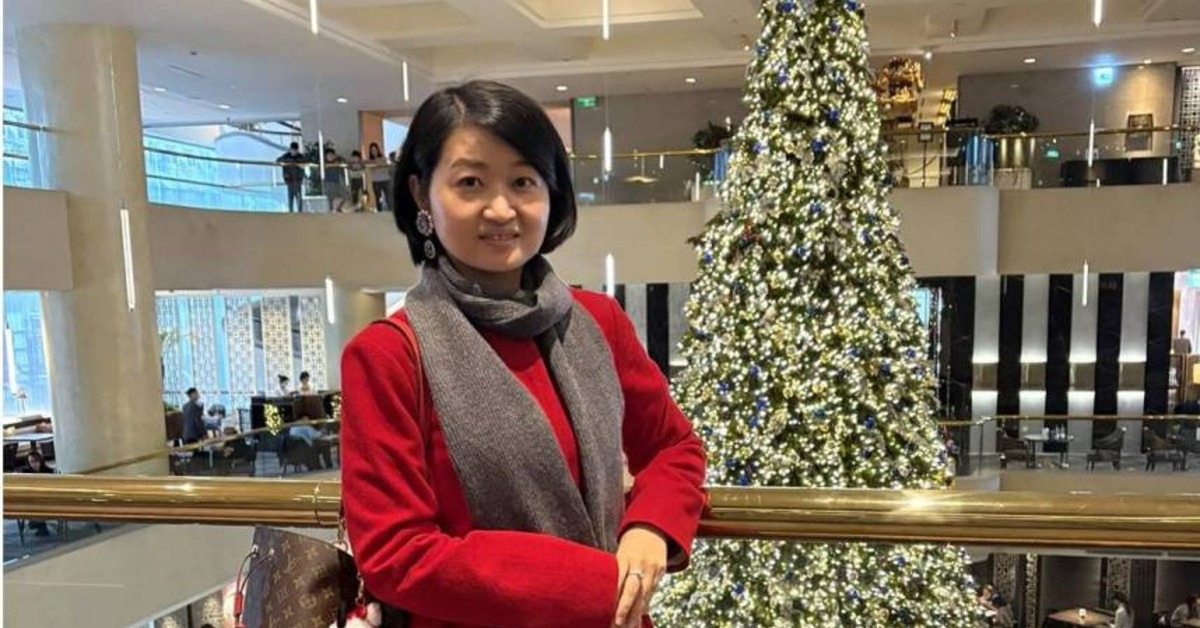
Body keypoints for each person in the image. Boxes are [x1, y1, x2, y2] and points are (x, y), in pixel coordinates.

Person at [340, 80, 707, 628]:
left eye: (522, 181)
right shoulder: (387, 355)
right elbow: (396, 552)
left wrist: (650, 528)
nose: (500, 208)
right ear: (421, 193)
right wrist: (599, 582)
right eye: (470, 182)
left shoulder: (598, 322)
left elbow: (673, 447)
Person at [18, 451, 54, 536]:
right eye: (31, 462)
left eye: (36, 461)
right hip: (31, 499)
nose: (34, 464)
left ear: (40, 461)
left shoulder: (49, 471)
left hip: (47, 499)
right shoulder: (25, 473)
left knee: (39, 503)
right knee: (33, 503)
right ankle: (40, 525)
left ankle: (38, 524)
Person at [277, 142, 307, 212]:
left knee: (298, 198)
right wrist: (287, 163)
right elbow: (278, 161)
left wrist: (300, 164)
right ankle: (291, 212)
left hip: (298, 180)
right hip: (289, 180)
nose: (294, 151)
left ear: (297, 150)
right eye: (293, 150)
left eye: (295, 150)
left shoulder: (300, 157)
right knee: (290, 198)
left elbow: (306, 162)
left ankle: (299, 212)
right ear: (290, 149)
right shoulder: (286, 156)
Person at [323, 147, 348, 212]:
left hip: (338, 182)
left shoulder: (337, 162)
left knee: (346, 196)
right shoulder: (324, 163)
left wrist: (338, 157)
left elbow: (345, 162)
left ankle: (339, 208)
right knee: (331, 200)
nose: (330, 156)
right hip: (329, 184)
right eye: (328, 155)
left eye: (332, 155)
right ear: (325, 156)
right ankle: (332, 212)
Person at [367, 142, 391, 212]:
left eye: (375, 149)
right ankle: (379, 212)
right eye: (372, 150)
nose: (374, 151)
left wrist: (378, 162)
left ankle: (391, 212)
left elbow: (386, 165)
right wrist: (375, 163)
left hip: (385, 180)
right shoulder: (369, 160)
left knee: (388, 198)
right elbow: (370, 166)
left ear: (378, 150)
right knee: (378, 198)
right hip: (376, 181)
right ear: (370, 151)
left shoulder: (383, 157)